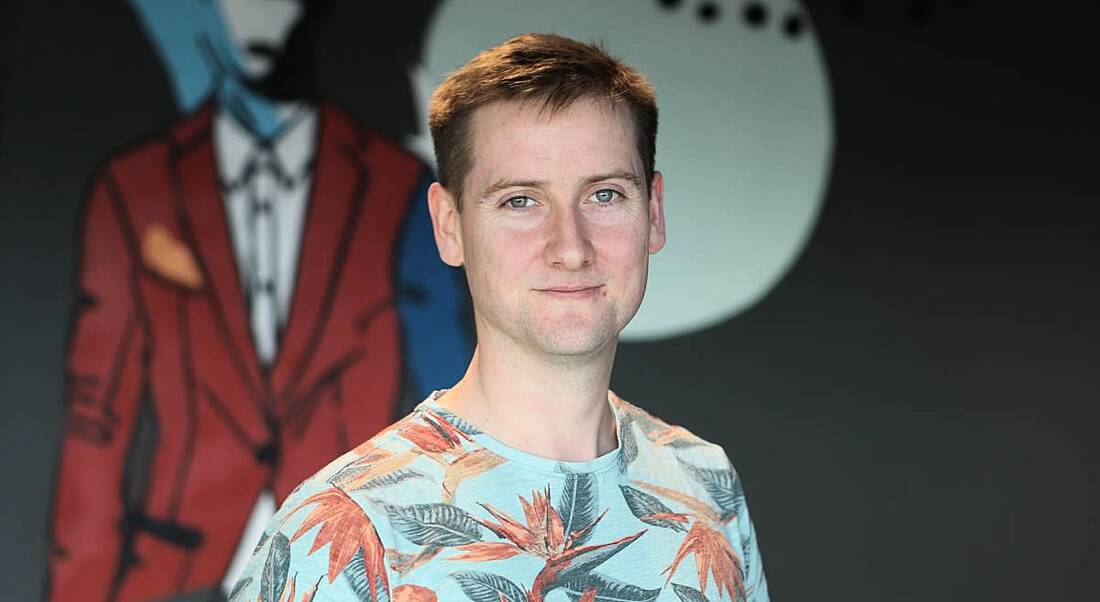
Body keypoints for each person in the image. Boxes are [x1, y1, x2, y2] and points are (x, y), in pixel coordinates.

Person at [230, 33, 768, 602]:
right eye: (520, 201)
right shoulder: (347, 524)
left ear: (653, 213)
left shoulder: (705, 485)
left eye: (605, 195)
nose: (570, 247)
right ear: (449, 226)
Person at [48, 2, 470, 600]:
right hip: (179, 565)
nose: (256, 21)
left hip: (355, 565)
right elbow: (96, 416)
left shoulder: (395, 185)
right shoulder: (135, 185)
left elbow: (450, 411)